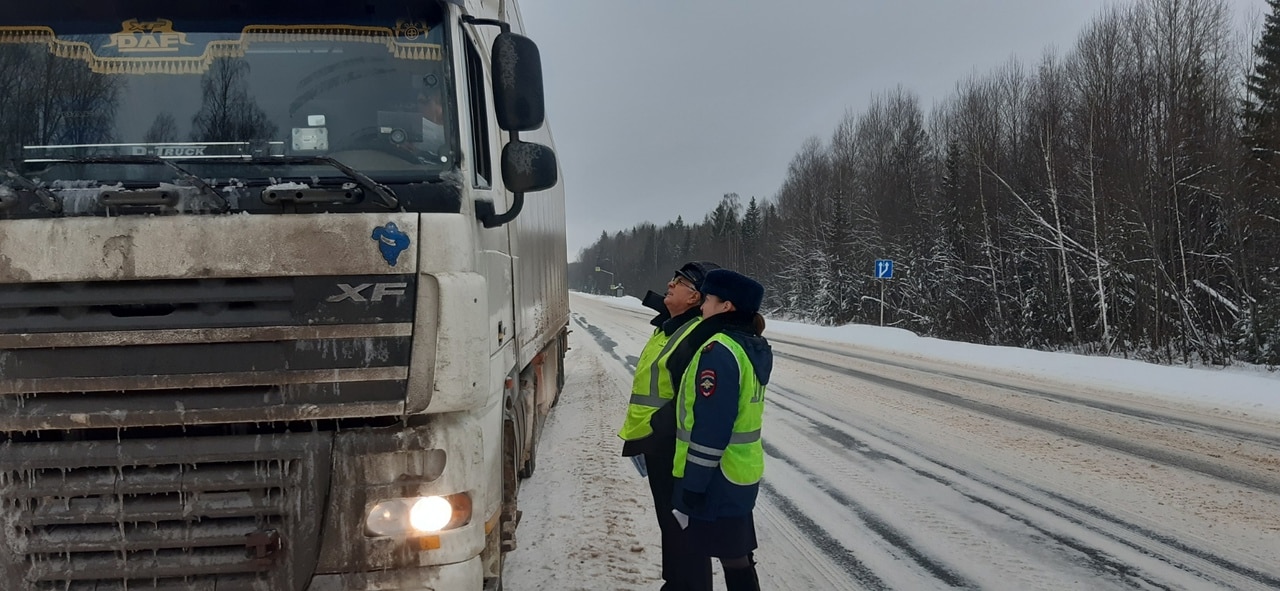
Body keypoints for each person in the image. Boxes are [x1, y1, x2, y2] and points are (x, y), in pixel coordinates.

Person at [618, 261, 721, 591]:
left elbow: (689, 398)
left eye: (679, 282)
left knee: (682, 525)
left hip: (672, 445)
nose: (669, 284)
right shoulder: (669, 327)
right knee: (670, 521)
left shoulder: (693, 334)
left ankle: (689, 585)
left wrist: (654, 431)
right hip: (657, 443)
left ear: (695, 297)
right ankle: (676, 582)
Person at [670, 269, 770, 591]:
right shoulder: (748, 345)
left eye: (708, 300)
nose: (702, 307)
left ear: (726, 306)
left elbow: (711, 428)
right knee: (736, 555)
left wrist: (693, 485)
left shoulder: (720, 351)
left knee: (732, 559)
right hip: (741, 471)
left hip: (719, 477)